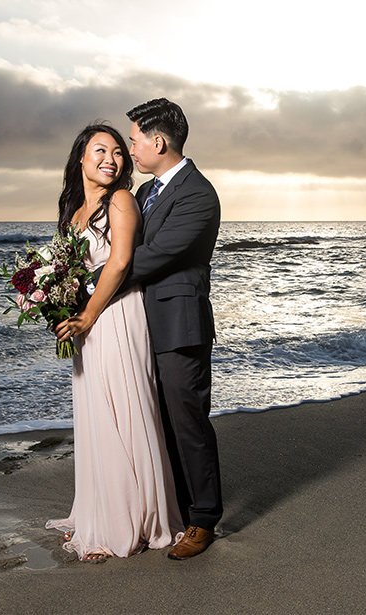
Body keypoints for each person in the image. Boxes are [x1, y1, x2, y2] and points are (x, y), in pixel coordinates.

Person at [46, 123, 184, 560]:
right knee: (96, 414)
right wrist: (56, 309)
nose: (111, 159)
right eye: (100, 151)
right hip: (87, 322)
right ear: (81, 159)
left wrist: (88, 314)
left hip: (118, 315)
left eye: (119, 152)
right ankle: (100, 510)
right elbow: (67, 276)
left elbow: (121, 262)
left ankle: (129, 521)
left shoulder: (121, 201)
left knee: (124, 409)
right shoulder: (74, 214)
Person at [118, 98, 223, 560]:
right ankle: (176, 512)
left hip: (180, 327)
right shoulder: (145, 194)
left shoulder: (198, 194)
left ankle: (204, 519)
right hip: (143, 322)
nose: (130, 151)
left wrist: (92, 277)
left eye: (134, 140)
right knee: (157, 422)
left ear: (158, 141)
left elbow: (151, 256)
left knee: (188, 423)